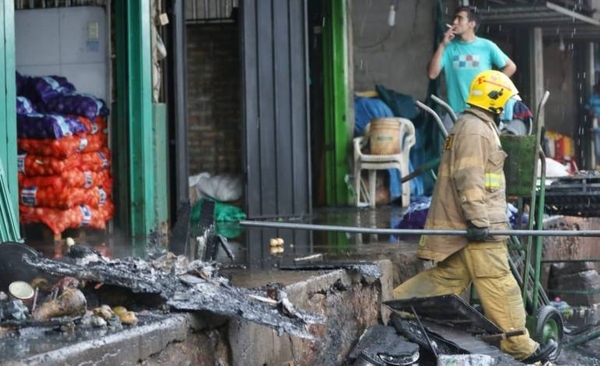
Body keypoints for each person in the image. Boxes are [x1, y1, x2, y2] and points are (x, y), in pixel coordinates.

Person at [392, 70, 557, 364]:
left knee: (450, 277)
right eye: (506, 100)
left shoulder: (476, 126)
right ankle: (519, 345)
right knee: (499, 282)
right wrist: (478, 221)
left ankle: (396, 304)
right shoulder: (475, 131)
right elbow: (468, 179)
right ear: (493, 100)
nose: (509, 107)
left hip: (473, 224)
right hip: (479, 227)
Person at [428, 6, 517, 114]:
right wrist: (442, 45)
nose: (455, 22)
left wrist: (493, 85)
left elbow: (511, 67)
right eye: (455, 18)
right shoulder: (449, 47)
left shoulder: (487, 46)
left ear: (472, 24)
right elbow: (432, 74)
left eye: (460, 18)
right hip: (455, 111)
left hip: (481, 110)